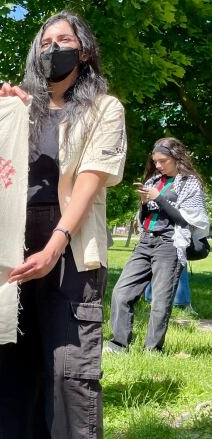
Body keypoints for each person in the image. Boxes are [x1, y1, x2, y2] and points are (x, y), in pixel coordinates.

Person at [0, 11, 127, 438]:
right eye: (46, 42)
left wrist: (54, 246)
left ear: (83, 51)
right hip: (15, 249)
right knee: (18, 371)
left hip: (70, 248)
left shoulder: (104, 109)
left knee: (69, 376)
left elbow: (89, 182)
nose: (53, 49)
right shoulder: (19, 113)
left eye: (63, 40)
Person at [107, 138, 208, 353]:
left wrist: (159, 198)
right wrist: (144, 204)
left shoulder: (190, 183)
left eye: (163, 161)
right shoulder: (153, 181)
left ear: (176, 158)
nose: (158, 165)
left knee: (160, 302)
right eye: (155, 161)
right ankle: (118, 345)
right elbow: (145, 219)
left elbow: (187, 221)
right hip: (145, 242)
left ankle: (152, 350)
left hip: (169, 243)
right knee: (121, 293)